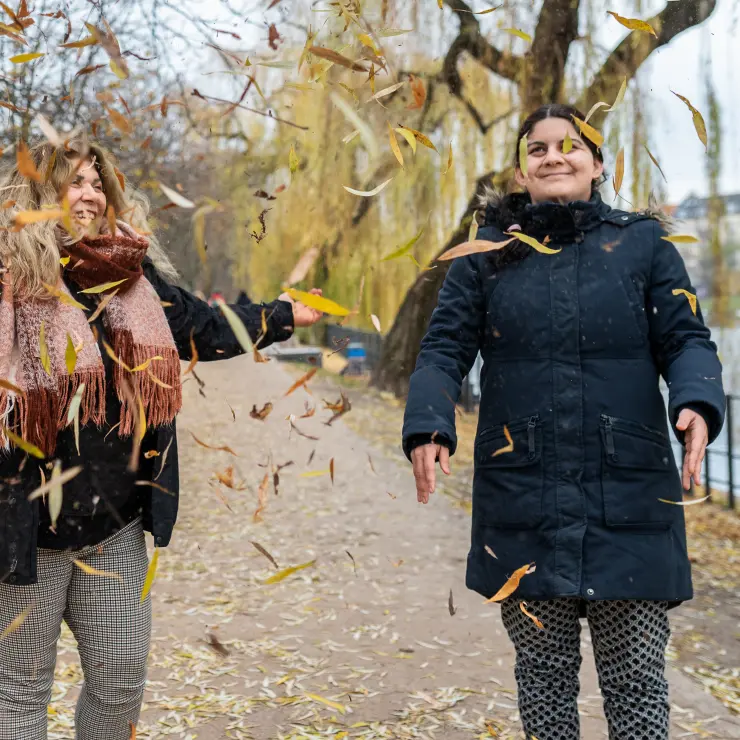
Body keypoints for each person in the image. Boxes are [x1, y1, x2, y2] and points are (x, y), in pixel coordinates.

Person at [402, 104, 725, 740]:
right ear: (522, 172)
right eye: (537, 149)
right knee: (544, 679)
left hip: (629, 493)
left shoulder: (644, 242)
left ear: (597, 164)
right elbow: (443, 347)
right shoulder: (487, 254)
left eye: (569, 146)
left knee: (636, 682)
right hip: (524, 497)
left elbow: (687, 338)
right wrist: (430, 424)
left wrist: (695, 399)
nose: (553, 157)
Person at [0, 138, 323, 740]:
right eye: (74, 181)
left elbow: (202, 328)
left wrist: (279, 314)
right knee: (19, 693)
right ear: (39, 195)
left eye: (98, 182)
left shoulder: (132, 279)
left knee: (121, 681)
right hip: (22, 530)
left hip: (113, 524)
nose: (91, 192)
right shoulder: (7, 281)